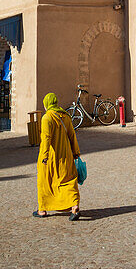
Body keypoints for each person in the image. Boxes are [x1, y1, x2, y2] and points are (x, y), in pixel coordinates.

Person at [35, 92, 82, 221]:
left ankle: (42, 209)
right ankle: (74, 206)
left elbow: (46, 139)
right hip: (66, 155)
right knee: (68, 180)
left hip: (51, 157)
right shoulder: (65, 116)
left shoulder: (47, 118)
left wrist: (44, 156)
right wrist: (76, 152)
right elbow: (72, 135)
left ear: (46, 104)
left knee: (45, 182)